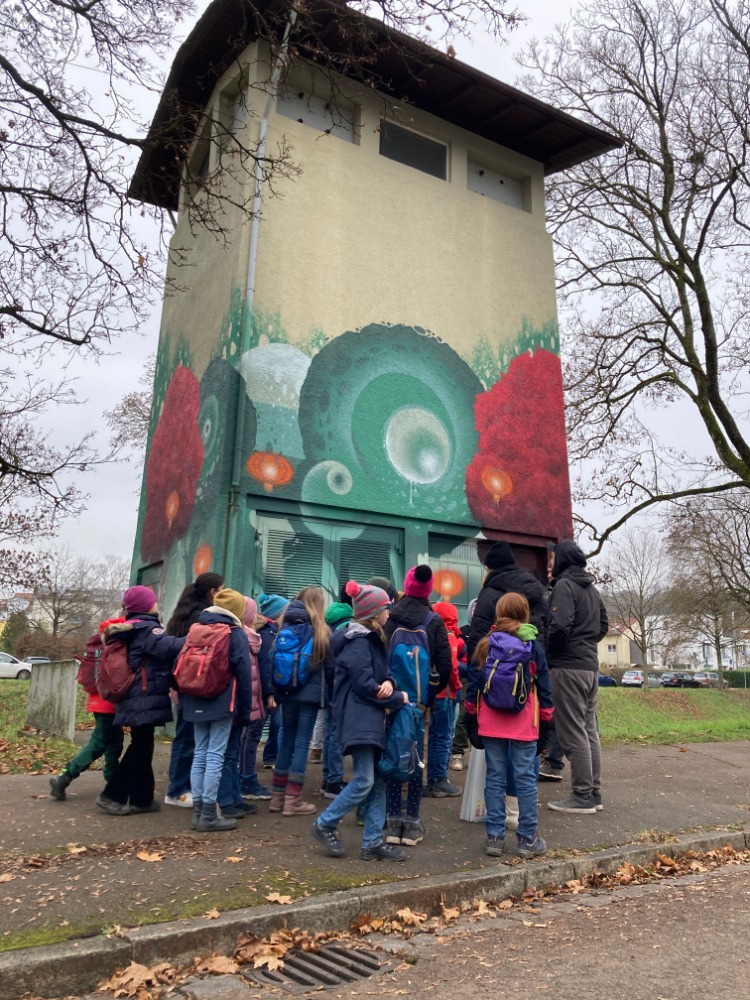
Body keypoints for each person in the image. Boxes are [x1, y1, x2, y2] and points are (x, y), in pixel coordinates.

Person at [311, 581, 408, 862]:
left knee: (376, 780)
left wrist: (389, 681)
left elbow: (382, 674)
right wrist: (396, 697)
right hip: (360, 719)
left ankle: (373, 842)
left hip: (367, 718)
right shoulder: (358, 642)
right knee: (365, 779)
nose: (389, 612)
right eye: (386, 608)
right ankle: (325, 823)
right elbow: (365, 684)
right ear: (374, 612)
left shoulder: (368, 639)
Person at [466, 592, 553, 858]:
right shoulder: (532, 646)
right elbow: (545, 689)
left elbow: (474, 686)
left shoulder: (486, 644)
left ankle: (494, 837)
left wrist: (471, 716)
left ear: (499, 612)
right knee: (525, 780)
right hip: (524, 724)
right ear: (525, 613)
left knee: (494, 779)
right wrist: (547, 720)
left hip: (491, 723)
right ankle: (527, 838)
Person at [96, 586, 185, 816]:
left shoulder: (132, 627)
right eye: (153, 601)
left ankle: (142, 798)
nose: (156, 604)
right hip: (143, 697)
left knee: (143, 746)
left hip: (135, 697)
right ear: (147, 605)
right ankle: (112, 796)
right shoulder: (147, 628)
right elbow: (170, 647)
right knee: (140, 747)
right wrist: (195, 635)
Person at [383, 565, 453, 845]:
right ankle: (411, 824)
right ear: (427, 589)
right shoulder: (433, 620)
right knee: (415, 756)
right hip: (419, 703)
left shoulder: (391, 618)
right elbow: (445, 665)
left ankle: (391, 821)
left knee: (391, 754)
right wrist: (429, 697)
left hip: (392, 701)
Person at [178, 587, 253, 832]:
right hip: (222, 701)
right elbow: (243, 674)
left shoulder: (197, 629)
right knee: (215, 755)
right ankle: (209, 813)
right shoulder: (234, 632)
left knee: (200, 753)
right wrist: (245, 711)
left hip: (194, 698)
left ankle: (199, 811)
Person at [546, 540, 609, 814]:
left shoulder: (564, 586)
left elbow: (559, 626)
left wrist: (549, 652)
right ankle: (593, 793)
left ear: (561, 560)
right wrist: (585, 644)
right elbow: (603, 625)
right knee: (588, 730)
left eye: (552, 559)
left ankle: (582, 795)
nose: (550, 564)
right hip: (589, 667)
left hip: (568, 667)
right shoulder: (591, 589)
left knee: (572, 733)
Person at [49, 618, 126, 802]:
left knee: (115, 742)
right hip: (108, 702)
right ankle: (65, 776)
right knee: (99, 743)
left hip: (98, 700)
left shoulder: (99, 646)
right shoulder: (115, 645)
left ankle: (113, 782)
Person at [164, 572, 224, 807]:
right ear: (212, 592)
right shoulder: (203, 619)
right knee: (187, 739)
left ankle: (181, 787)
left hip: (183, 685)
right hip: (193, 686)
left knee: (187, 738)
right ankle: (177, 790)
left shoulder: (184, 616)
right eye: (222, 589)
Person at [270, 587, 330, 817]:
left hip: (286, 692)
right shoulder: (319, 630)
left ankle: (277, 798)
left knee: (286, 742)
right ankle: (292, 801)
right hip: (310, 695)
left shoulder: (285, 626)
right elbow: (327, 665)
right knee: (302, 743)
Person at [217, 596, 263, 818]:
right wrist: (247, 708)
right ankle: (226, 801)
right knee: (228, 754)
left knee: (231, 753)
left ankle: (234, 797)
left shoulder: (236, 633)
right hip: (234, 702)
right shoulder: (238, 636)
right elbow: (245, 675)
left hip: (230, 701)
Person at [466, 542, 549, 662]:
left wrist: (474, 669)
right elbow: (547, 627)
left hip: (501, 667)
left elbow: (479, 634)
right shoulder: (536, 589)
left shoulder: (489, 593)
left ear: (490, 568)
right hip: (534, 664)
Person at [426, 602, 464, 797]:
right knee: (444, 737)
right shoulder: (449, 636)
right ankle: (440, 779)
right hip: (448, 694)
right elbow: (452, 667)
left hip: (435, 693)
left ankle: (432, 779)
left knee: (434, 736)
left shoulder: (430, 633)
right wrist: (458, 687)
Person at [237, 596, 273, 802]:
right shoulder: (252, 637)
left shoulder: (244, 634)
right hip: (254, 696)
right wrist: (269, 694)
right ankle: (247, 779)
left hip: (247, 696)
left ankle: (243, 776)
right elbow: (264, 669)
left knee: (245, 737)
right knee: (251, 737)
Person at [256, 593, 288, 769]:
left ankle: (270, 756)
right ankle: (257, 758)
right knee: (264, 725)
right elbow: (267, 666)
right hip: (270, 690)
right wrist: (270, 693)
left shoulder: (275, 631)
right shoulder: (269, 634)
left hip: (273, 689)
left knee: (275, 724)